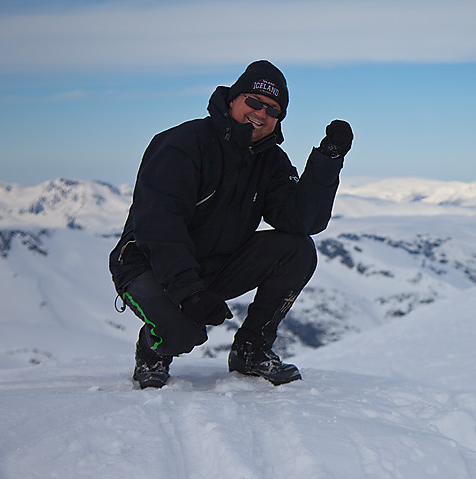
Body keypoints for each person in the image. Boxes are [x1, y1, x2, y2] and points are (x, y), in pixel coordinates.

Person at [109, 60, 353, 389]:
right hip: (147, 265)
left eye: (273, 109)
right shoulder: (181, 145)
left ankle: (251, 350)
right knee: (182, 334)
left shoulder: (271, 161)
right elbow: (158, 227)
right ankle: (153, 351)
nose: (261, 113)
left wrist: (329, 160)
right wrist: (190, 292)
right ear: (232, 101)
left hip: (213, 264)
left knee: (297, 250)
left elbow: (301, 221)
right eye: (253, 101)